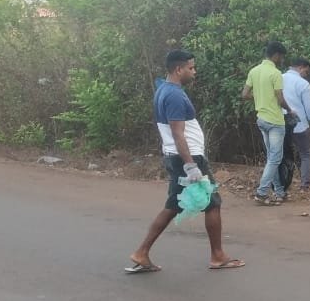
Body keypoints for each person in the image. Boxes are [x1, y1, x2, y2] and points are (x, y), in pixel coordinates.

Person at [126, 50, 244, 273]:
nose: (194, 72)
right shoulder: (174, 96)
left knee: (174, 205)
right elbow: (178, 133)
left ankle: (142, 252)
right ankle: (217, 256)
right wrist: (191, 166)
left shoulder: (165, 90)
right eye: (191, 68)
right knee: (212, 202)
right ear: (178, 69)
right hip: (187, 158)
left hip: (177, 157)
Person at [242, 41, 295, 205]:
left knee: (272, 158)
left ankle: (279, 192)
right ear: (276, 55)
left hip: (261, 119)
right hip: (275, 121)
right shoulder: (275, 73)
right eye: (281, 56)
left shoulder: (254, 71)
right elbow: (280, 98)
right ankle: (262, 192)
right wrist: (290, 110)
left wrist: (259, 98)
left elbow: (244, 94)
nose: (281, 59)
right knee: (275, 158)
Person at [282, 57, 310, 192]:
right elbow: (309, 106)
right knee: (305, 154)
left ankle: (281, 186)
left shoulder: (279, 78)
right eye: (306, 71)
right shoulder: (303, 83)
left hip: (281, 123)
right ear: (300, 67)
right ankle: (305, 185)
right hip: (299, 125)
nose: (306, 74)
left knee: (283, 155)